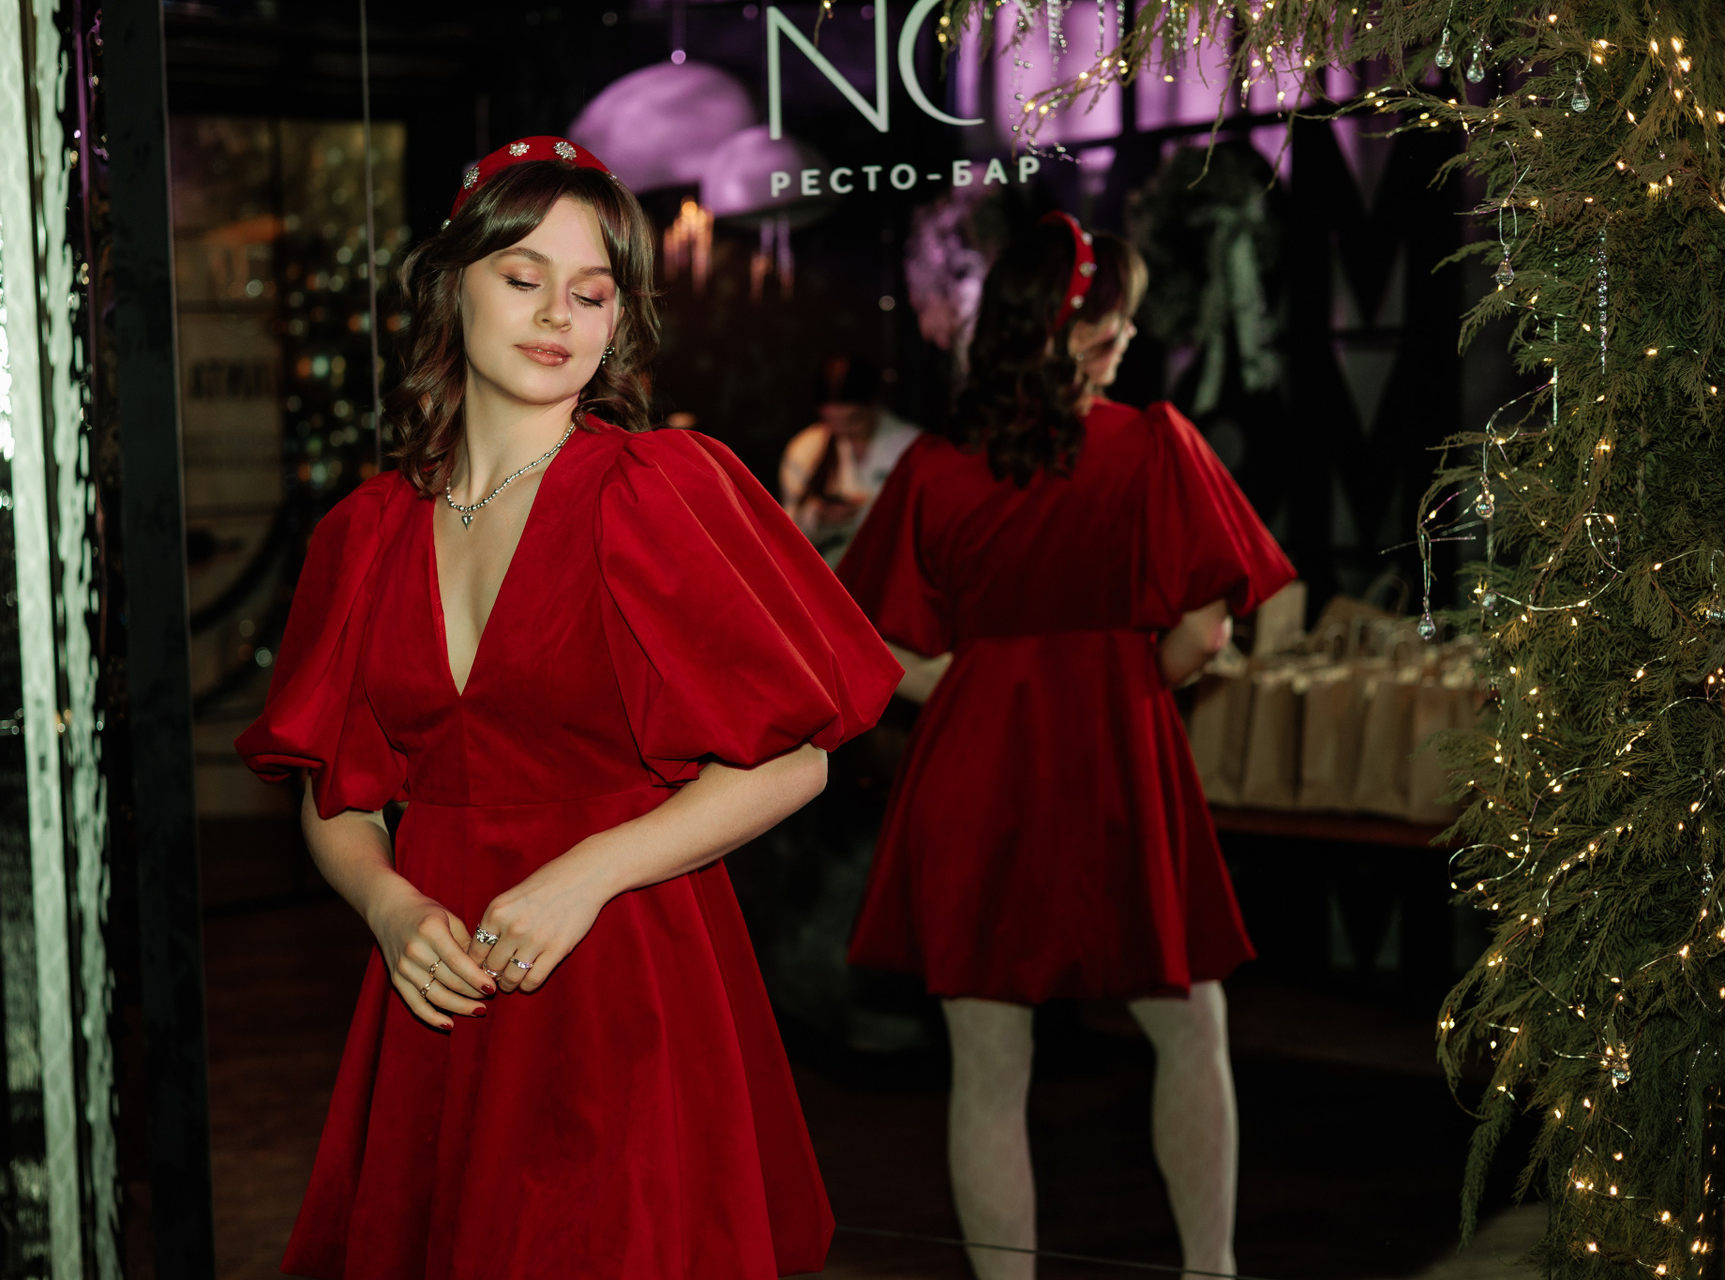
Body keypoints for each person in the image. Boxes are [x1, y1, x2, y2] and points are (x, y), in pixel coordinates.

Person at [235, 136, 900, 1280]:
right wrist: (389, 905)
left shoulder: (656, 488)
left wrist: (585, 875)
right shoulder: (366, 531)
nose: (557, 314)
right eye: (522, 276)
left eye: (591, 292)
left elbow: (795, 758)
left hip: (623, 965)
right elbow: (338, 790)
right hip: (439, 985)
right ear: (452, 285)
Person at [835, 213, 1295, 1280]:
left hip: (974, 767)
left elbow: (866, 643)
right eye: (1115, 317)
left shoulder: (935, 468)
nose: (1128, 336)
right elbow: (1205, 632)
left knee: (989, 1071)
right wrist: (1118, 686)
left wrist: (977, 689)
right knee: (1190, 1029)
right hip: (1117, 760)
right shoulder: (1155, 444)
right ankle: (1211, 1268)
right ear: (1069, 324)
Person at [778, 356, 921, 565]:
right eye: (832, 420)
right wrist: (818, 517)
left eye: (854, 420)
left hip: (894, 563)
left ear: (873, 405)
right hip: (832, 566)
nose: (843, 430)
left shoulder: (910, 445)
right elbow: (786, 528)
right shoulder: (806, 448)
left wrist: (866, 512)